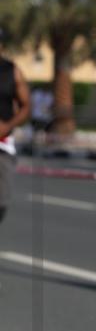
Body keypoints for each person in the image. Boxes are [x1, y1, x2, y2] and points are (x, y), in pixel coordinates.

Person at [0, 30, 31, 224]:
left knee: (2, 200)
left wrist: (7, 125)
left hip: (2, 144)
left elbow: (26, 107)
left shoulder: (12, 71)